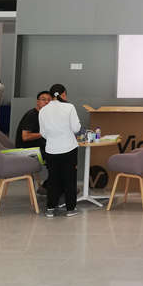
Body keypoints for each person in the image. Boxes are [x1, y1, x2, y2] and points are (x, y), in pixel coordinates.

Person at [39, 84, 80, 218]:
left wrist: (53, 138)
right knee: (69, 179)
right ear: (63, 94)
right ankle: (70, 209)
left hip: (51, 149)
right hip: (69, 148)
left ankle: (50, 208)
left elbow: (43, 133)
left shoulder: (43, 110)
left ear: (51, 96)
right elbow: (76, 128)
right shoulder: (69, 107)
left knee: (53, 179)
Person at [16, 90, 51, 195]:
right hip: (27, 151)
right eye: (43, 99)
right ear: (37, 102)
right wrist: (43, 134)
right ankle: (50, 187)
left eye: (49, 100)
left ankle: (51, 186)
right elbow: (25, 137)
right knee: (57, 157)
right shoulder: (32, 115)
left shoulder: (42, 115)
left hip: (35, 148)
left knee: (59, 156)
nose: (47, 102)